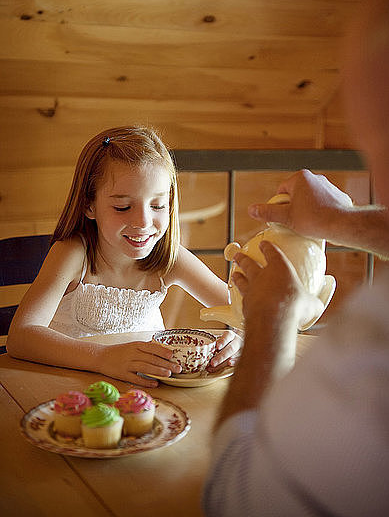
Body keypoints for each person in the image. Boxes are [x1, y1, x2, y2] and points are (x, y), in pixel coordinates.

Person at [203, 0, 389, 515]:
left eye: (379, 144)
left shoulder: (379, 354)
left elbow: (235, 495)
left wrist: (269, 319)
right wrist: (341, 222)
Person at [7, 126, 241, 387]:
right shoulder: (73, 254)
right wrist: (103, 358)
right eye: (123, 207)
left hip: (146, 397)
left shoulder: (170, 259)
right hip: (71, 393)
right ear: (89, 205)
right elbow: (20, 338)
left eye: (157, 206)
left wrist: (240, 340)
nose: (142, 222)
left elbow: (248, 314)